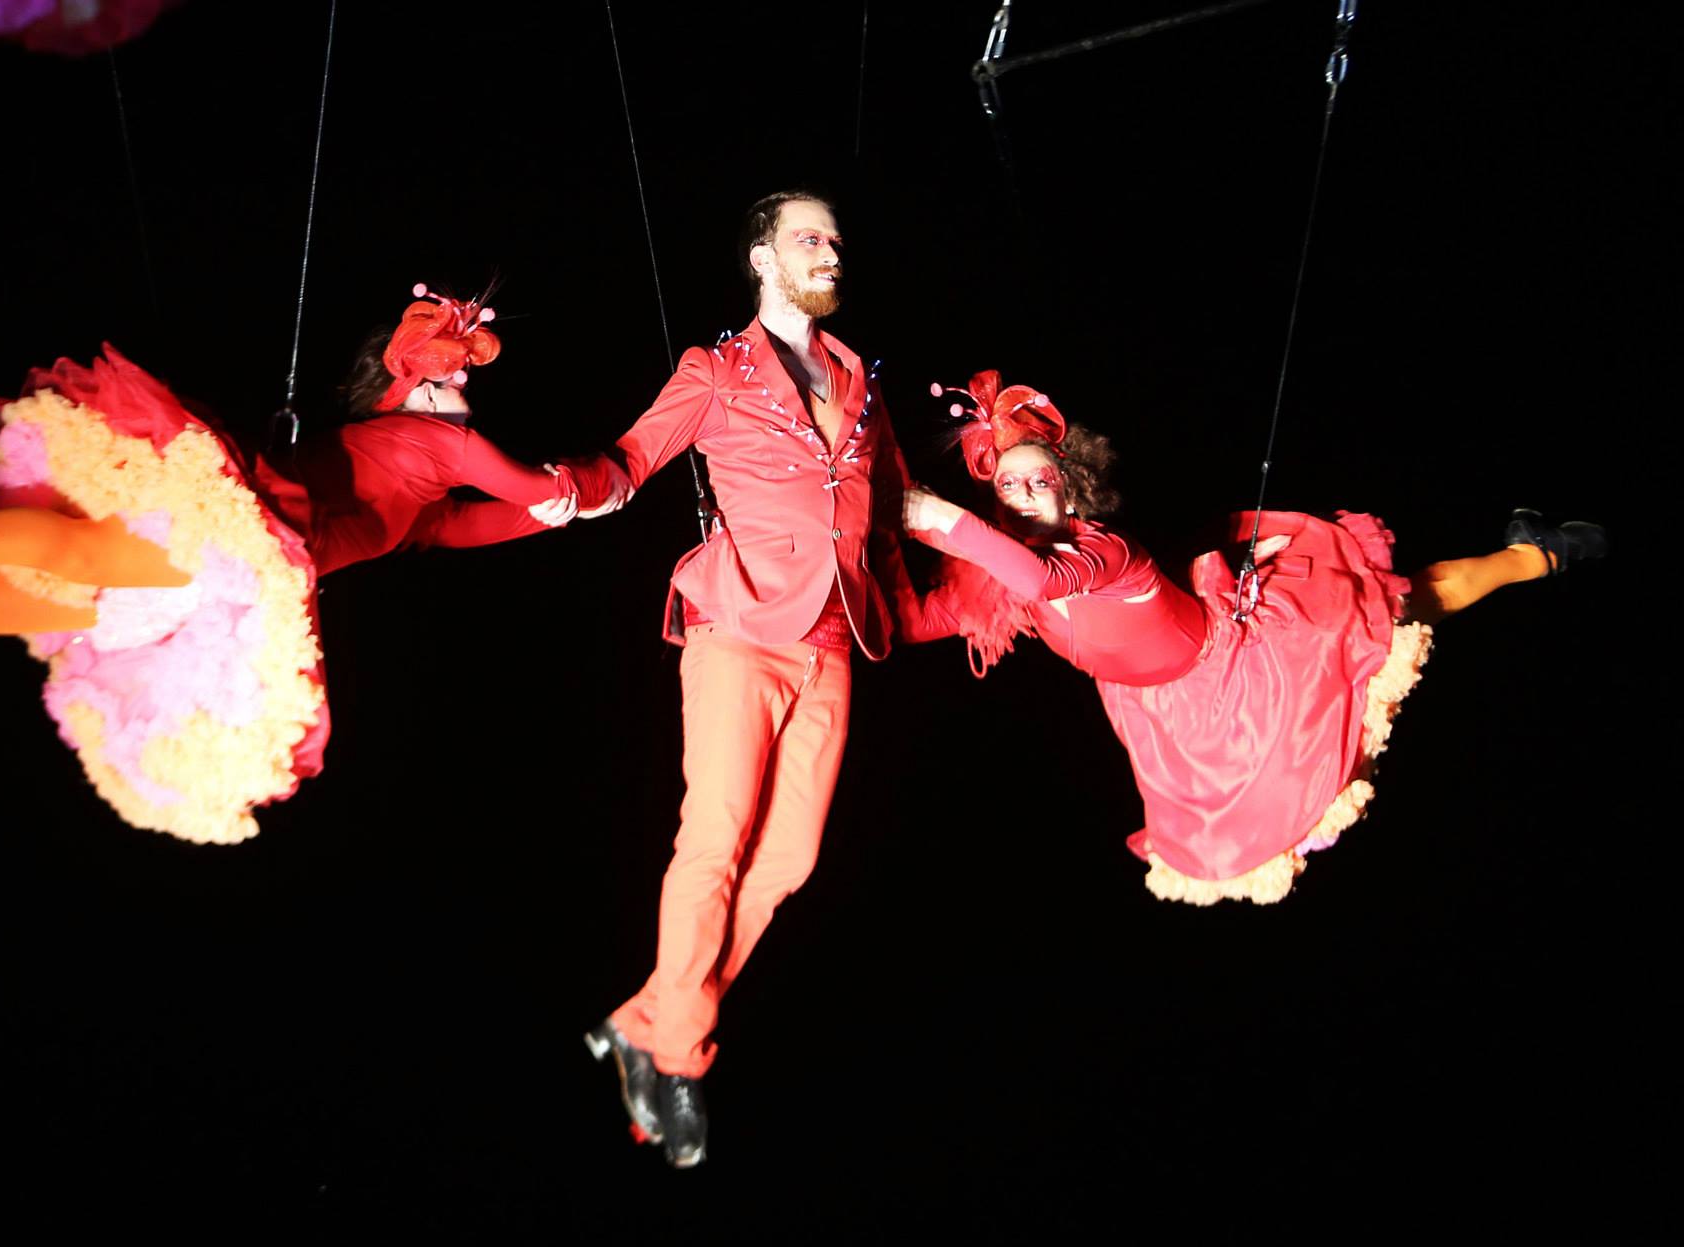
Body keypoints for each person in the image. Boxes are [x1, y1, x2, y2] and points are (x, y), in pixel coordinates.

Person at [0, 289, 623, 844]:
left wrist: (566, 510)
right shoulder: (435, 443)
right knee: (80, 566)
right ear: (415, 382)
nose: (464, 391)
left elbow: (484, 527)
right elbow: (531, 488)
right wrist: (607, 482)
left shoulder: (418, 499)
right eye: (455, 377)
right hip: (235, 536)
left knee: (39, 603)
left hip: (238, 578)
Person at [898, 369, 1607, 904]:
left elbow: (1047, 581)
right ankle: (1529, 554)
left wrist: (929, 514)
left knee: (1408, 604)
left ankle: (1534, 554)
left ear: (1071, 491)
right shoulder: (1001, 577)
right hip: (1166, 719)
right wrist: (822, 600)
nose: (1022, 496)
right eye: (1009, 489)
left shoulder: (1101, 549)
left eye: (1038, 480)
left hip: (1244, 669)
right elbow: (925, 618)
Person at [582, 191, 915, 1168]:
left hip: (832, 637)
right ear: (761, 260)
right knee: (715, 836)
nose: (829, 248)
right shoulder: (715, 369)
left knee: (791, 861)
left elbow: (889, 497)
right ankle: (674, 1053)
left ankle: (646, 1014)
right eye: (807, 237)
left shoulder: (858, 375)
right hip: (738, 623)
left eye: (835, 238)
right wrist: (569, 490)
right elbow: (632, 456)